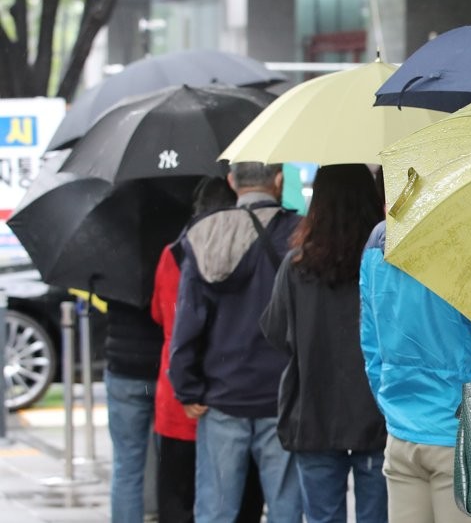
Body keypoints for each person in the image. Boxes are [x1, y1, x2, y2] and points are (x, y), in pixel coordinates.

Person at [170, 162, 303, 523]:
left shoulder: (205, 234)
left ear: (231, 182)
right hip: (283, 396)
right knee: (286, 509)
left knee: (216, 510)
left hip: (222, 394)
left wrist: (187, 387)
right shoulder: (299, 233)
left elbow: (188, 321)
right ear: (279, 181)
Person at [261, 165, 388, 523]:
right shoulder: (383, 262)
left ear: (317, 203)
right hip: (376, 414)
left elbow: (276, 332)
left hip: (313, 413)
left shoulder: (297, 266)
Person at [360, 219, 471, 523]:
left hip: (402, 430)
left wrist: (391, 404)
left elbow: (371, 345)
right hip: (461, 433)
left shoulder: (379, 240)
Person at [151, 177, 265, 523]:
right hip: (225, 392)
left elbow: (159, 313)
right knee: (240, 501)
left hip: (177, 396)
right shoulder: (245, 250)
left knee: (178, 503)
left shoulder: (173, 252)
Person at [104, 297, 163, 523]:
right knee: (173, 464)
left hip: (124, 367)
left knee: (126, 466)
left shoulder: (117, 265)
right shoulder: (172, 261)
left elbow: (103, 295)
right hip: (164, 367)